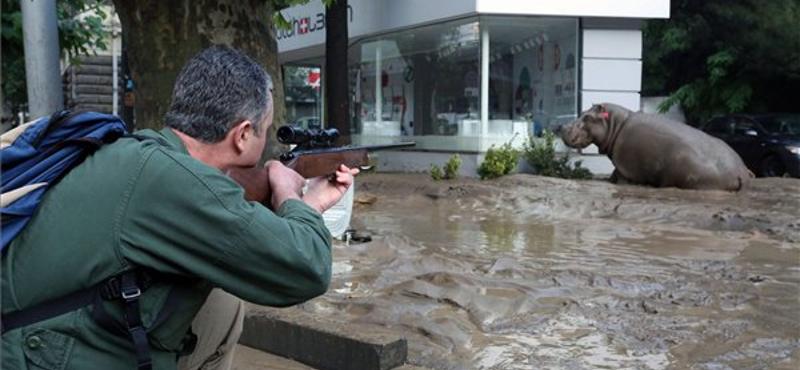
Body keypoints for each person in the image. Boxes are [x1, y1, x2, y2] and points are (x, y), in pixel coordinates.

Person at [1, 45, 358, 370]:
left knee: (220, 306)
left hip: (43, 334)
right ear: (243, 134)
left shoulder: (142, 154)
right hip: (39, 353)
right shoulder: (170, 181)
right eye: (265, 130)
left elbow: (241, 237)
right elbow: (306, 269)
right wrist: (299, 199)